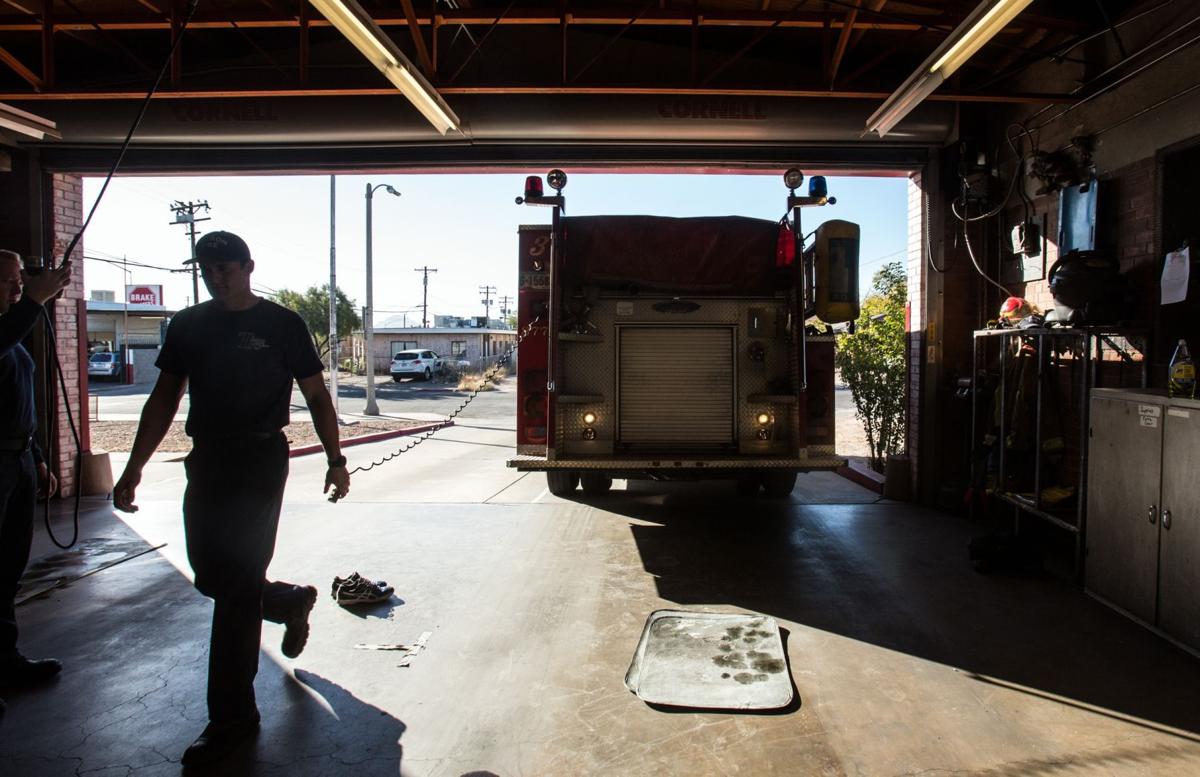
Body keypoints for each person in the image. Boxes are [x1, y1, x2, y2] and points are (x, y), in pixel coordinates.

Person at [112, 231, 349, 766]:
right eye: (208, 269)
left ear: (248, 267)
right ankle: (288, 601)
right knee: (214, 578)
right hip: (209, 460)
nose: (216, 277)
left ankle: (231, 720)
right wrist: (135, 467)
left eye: (226, 268)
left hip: (261, 460)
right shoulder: (189, 326)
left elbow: (315, 394)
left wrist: (336, 460)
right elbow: (164, 398)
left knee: (237, 588)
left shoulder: (282, 324)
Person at [0, 249, 72, 716]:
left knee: (7, 570)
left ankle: (4, 661)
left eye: (19, 280)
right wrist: (35, 303)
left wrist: (40, 458)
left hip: (19, 459)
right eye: (9, 281)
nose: (17, 287)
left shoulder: (12, 332)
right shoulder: (8, 329)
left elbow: (18, 402)